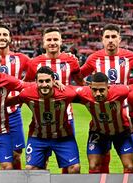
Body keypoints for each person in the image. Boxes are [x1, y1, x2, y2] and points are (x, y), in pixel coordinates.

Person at [79, 23, 133, 173]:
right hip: (101, 114)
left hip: (123, 115)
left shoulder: (130, 57)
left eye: (114, 37)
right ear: (102, 39)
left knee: (129, 165)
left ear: (120, 39)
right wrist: (89, 88)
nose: (111, 40)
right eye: (107, 37)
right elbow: (80, 75)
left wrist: (129, 85)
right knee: (100, 160)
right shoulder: (94, 58)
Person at [24, 27, 82, 173]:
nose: (52, 43)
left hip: (66, 117)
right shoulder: (35, 63)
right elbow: (26, 84)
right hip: (41, 116)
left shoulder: (71, 61)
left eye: (55, 39)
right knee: (40, 162)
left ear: (61, 42)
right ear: (43, 43)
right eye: (49, 40)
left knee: (68, 163)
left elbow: (80, 84)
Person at [7, 66, 80, 173]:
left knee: (75, 168)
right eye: (41, 81)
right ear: (35, 82)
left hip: (63, 137)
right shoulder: (27, 94)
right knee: (30, 169)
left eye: (47, 81)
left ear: (53, 81)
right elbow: (8, 102)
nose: (44, 84)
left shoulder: (67, 93)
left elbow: (85, 94)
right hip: (38, 137)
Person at [0, 24, 30, 170]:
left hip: (13, 113)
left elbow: (38, 71)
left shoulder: (21, 58)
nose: (2, 37)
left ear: (10, 38)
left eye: (5, 34)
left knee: (16, 154)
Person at [75, 72, 133, 173]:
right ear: (90, 87)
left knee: (129, 166)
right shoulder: (83, 93)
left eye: (102, 90)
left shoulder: (120, 91)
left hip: (121, 132)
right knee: (93, 165)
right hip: (99, 132)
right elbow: (67, 90)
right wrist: (55, 84)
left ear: (108, 87)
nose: (98, 93)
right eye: (94, 90)